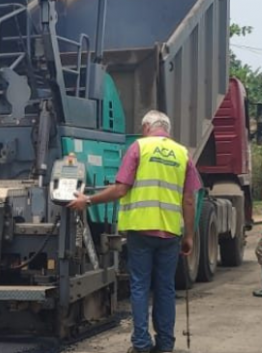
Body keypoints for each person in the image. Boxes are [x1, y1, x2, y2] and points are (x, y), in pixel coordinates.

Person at [68, 110, 198, 353]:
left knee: (140, 287)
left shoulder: (139, 148)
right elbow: (189, 199)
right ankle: (165, 345)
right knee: (165, 288)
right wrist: (189, 236)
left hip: (141, 230)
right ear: (167, 129)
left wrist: (88, 200)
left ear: (147, 127)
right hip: (170, 233)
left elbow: (120, 190)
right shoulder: (183, 154)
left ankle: (141, 344)